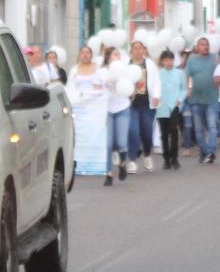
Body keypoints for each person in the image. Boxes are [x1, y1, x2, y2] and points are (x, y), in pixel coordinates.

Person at [67, 46, 112, 186]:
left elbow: (104, 86)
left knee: (96, 133)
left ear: (91, 55)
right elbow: (70, 88)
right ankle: (78, 163)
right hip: (79, 107)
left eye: (88, 53)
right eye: (83, 53)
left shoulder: (98, 69)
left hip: (95, 106)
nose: (85, 55)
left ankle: (98, 164)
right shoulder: (74, 70)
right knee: (80, 135)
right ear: (79, 55)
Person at [184, 36, 220, 164]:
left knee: (212, 126)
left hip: (212, 99)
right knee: (198, 130)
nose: (205, 47)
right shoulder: (191, 60)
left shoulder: (215, 58)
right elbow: (186, 76)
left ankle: (210, 150)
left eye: (207, 44)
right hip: (196, 100)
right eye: (202, 44)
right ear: (197, 47)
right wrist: (187, 89)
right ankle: (207, 152)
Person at [102, 46, 136, 183]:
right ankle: (108, 173)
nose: (118, 57)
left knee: (121, 142)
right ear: (108, 57)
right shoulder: (103, 72)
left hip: (123, 108)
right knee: (108, 144)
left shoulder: (125, 71)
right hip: (107, 111)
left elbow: (132, 89)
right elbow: (97, 89)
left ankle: (122, 164)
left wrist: (131, 92)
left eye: (119, 55)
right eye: (115, 54)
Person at [127, 38, 159, 166]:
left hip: (147, 105)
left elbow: (156, 81)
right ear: (131, 50)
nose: (138, 50)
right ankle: (132, 160)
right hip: (131, 105)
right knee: (133, 131)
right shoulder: (127, 64)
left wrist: (156, 96)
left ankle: (146, 154)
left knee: (147, 133)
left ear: (144, 50)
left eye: (140, 48)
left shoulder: (149, 64)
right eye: (135, 48)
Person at [155, 49, 186, 170]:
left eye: (171, 60)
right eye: (166, 60)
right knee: (163, 134)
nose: (169, 62)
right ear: (162, 61)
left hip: (174, 105)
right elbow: (154, 89)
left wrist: (180, 99)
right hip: (161, 106)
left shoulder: (179, 73)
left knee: (174, 131)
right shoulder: (158, 73)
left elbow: (184, 88)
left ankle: (174, 158)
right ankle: (166, 159)